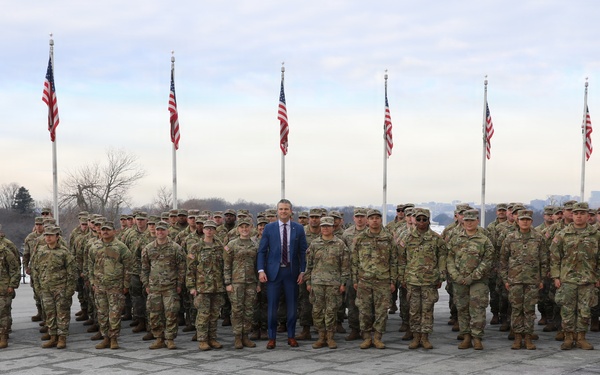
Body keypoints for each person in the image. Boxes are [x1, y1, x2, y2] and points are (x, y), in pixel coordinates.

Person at [257, 198, 308, 349]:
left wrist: (302, 271)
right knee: (272, 306)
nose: (283, 211)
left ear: (291, 211)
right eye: (281, 209)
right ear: (277, 211)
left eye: (286, 209)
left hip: (291, 273)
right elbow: (261, 251)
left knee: (292, 306)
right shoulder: (269, 228)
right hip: (273, 273)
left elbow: (303, 252)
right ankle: (272, 337)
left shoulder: (298, 228)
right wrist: (261, 271)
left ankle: (291, 336)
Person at [550, 202, 600, 350]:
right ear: (572, 215)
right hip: (568, 279)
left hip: (588, 279)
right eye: (576, 213)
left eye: (582, 213)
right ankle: (568, 337)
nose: (579, 216)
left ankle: (581, 337)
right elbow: (554, 257)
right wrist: (556, 277)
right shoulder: (563, 234)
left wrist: (598, 277)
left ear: (587, 215)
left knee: (585, 310)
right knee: (567, 310)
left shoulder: (596, 235)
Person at [398, 208, 446, 350]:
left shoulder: (436, 239)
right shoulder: (406, 238)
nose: (421, 222)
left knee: (427, 309)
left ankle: (425, 337)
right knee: (413, 310)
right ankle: (416, 336)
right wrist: (402, 277)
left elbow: (442, 258)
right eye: (418, 219)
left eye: (424, 219)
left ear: (428, 220)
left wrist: (441, 276)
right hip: (412, 280)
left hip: (429, 280)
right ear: (415, 220)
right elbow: (401, 260)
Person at [499, 209, 548, 350]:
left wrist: (541, 279)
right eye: (522, 219)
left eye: (527, 219)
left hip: (532, 281)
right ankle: (517, 337)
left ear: (531, 221)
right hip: (515, 280)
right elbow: (503, 261)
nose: (525, 221)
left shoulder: (539, 238)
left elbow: (544, 260)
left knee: (530, 310)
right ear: (517, 221)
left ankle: (528, 337)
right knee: (516, 309)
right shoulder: (510, 238)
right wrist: (506, 279)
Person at [447, 209, 494, 350]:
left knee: (477, 309)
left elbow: (488, 260)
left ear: (477, 221)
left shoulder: (484, 240)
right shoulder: (455, 239)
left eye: (472, 221)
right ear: (462, 221)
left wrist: (473, 277)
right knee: (462, 309)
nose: (469, 223)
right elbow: (449, 258)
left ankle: (477, 337)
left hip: (478, 281)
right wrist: (456, 276)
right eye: (466, 220)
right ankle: (466, 336)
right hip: (459, 281)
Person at [352, 209, 398, 349]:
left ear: (380, 220)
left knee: (381, 311)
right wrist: (355, 280)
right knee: (364, 310)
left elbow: (394, 261)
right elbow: (354, 261)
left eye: (377, 218)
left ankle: (377, 337)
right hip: (364, 280)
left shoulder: (388, 237)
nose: (374, 220)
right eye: (371, 218)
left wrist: (393, 281)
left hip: (383, 280)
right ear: (367, 220)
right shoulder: (360, 238)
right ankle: (366, 337)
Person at [304, 216, 350, 349]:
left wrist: (343, 283)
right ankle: (321, 336)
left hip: (333, 283)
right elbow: (309, 265)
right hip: (317, 283)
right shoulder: (314, 244)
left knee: (331, 311)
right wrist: (308, 282)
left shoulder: (340, 244)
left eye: (328, 226)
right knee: (317, 311)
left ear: (332, 228)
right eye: (323, 226)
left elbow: (345, 266)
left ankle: (330, 337)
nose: (325, 228)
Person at [141, 221, 186, 350]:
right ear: (155, 231)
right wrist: (146, 284)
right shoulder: (148, 248)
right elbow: (144, 268)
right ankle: (159, 338)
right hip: (154, 287)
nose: (160, 232)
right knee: (154, 314)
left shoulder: (175, 248)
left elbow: (182, 268)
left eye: (162, 230)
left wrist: (179, 284)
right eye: (158, 230)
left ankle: (170, 339)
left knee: (171, 313)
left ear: (167, 231)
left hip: (170, 287)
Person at [89, 222, 132, 350]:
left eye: (108, 230)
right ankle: (105, 338)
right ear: (99, 232)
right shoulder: (94, 247)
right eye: (103, 230)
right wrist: (92, 282)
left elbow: (128, 266)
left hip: (115, 286)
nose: (105, 232)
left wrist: (126, 284)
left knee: (114, 313)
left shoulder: (121, 247)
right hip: (100, 286)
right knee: (102, 313)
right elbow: (90, 265)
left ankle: (114, 338)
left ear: (114, 231)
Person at [31, 225, 76, 349]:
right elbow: (36, 270)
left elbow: (72, 272)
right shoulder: (40, 251)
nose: (48, 237)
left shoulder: (64, 252)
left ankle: (62, 338)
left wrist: (69, 290)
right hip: (46, 288)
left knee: (62, 314)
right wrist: (38, 287)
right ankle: (52, 337)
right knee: (49, 314)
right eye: (46, 235)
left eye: (51, 235)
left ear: (57, 237)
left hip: (61, 288)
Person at [186, 220, 226, 351]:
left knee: (214, 314)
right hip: (202, 287)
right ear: (203, 230)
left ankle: (212, 338)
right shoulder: (196, 247)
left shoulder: (220, 247)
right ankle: (202, 339)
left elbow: (224, 266)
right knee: (203, 314)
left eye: (212, 228)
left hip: (217, 286)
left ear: (215, 230)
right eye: (207, 228)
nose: (209, 230)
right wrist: (191, 287)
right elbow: (190, 269)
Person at [224, 218, 259, 349]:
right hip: (236, 282)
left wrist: (258, 284)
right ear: (238, 229)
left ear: (251, 228)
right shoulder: (231, 245)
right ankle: (237, 337)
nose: (244, 229)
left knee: (249, 310)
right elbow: (226, 265)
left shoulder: (255, 245)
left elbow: (257, 266)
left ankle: (246, 336)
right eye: (242, 227)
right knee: (237, 310)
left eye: (247, 227)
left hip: (251, 282)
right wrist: (227, 282)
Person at [0, 227, 20, 349]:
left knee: (3, 312)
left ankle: (3, 336)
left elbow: (15, 269)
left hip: (3, 287)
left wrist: (12, 285)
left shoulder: (5, 251)